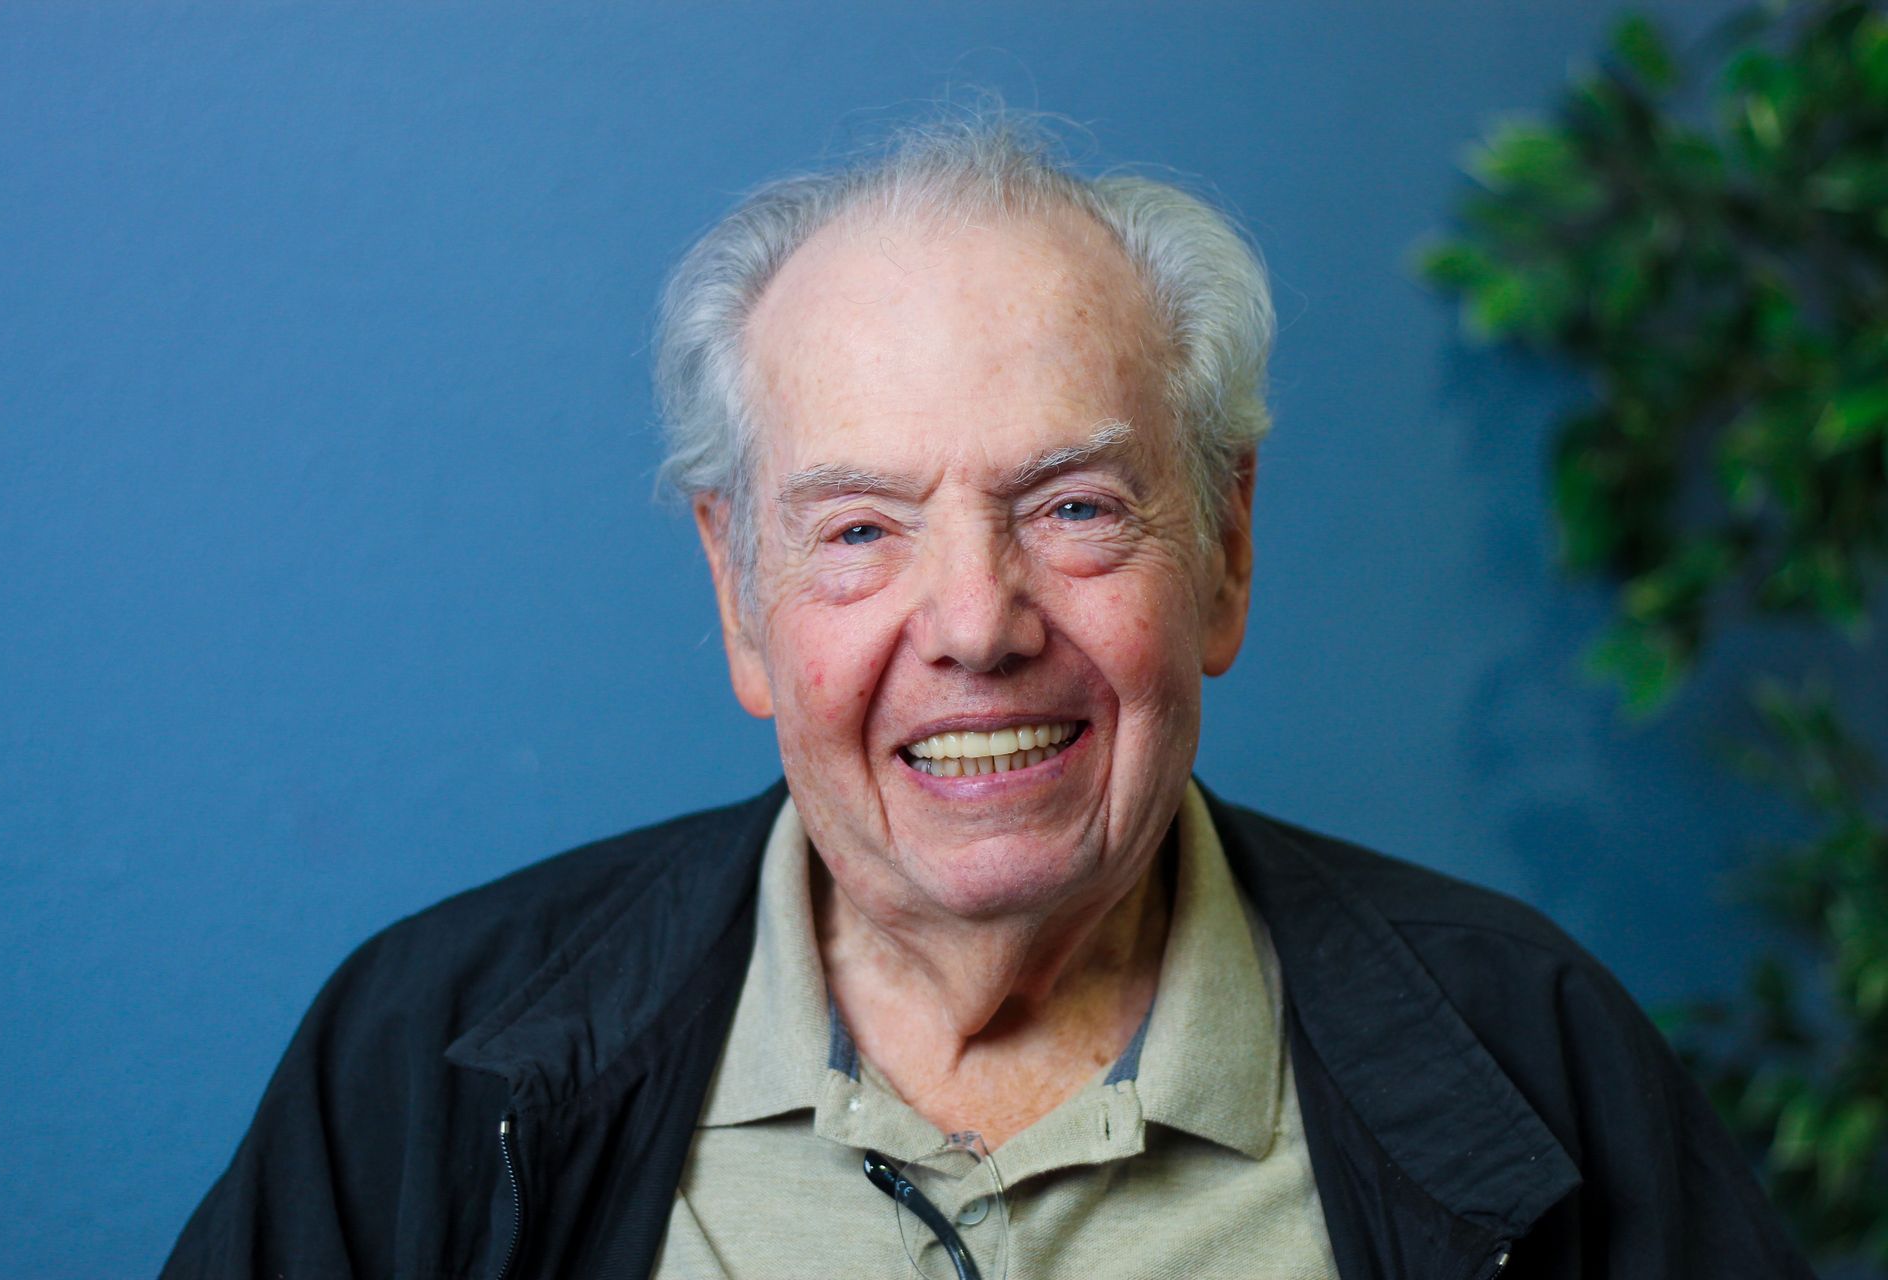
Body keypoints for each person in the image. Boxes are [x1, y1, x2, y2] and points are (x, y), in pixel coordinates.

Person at [162, 113, 1811, 1280]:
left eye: (1075, 507)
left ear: (1226, 550)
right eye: (862, 529)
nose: (975, 622)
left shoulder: (1541, 1057)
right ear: (740, 594)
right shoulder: (418, 1061)